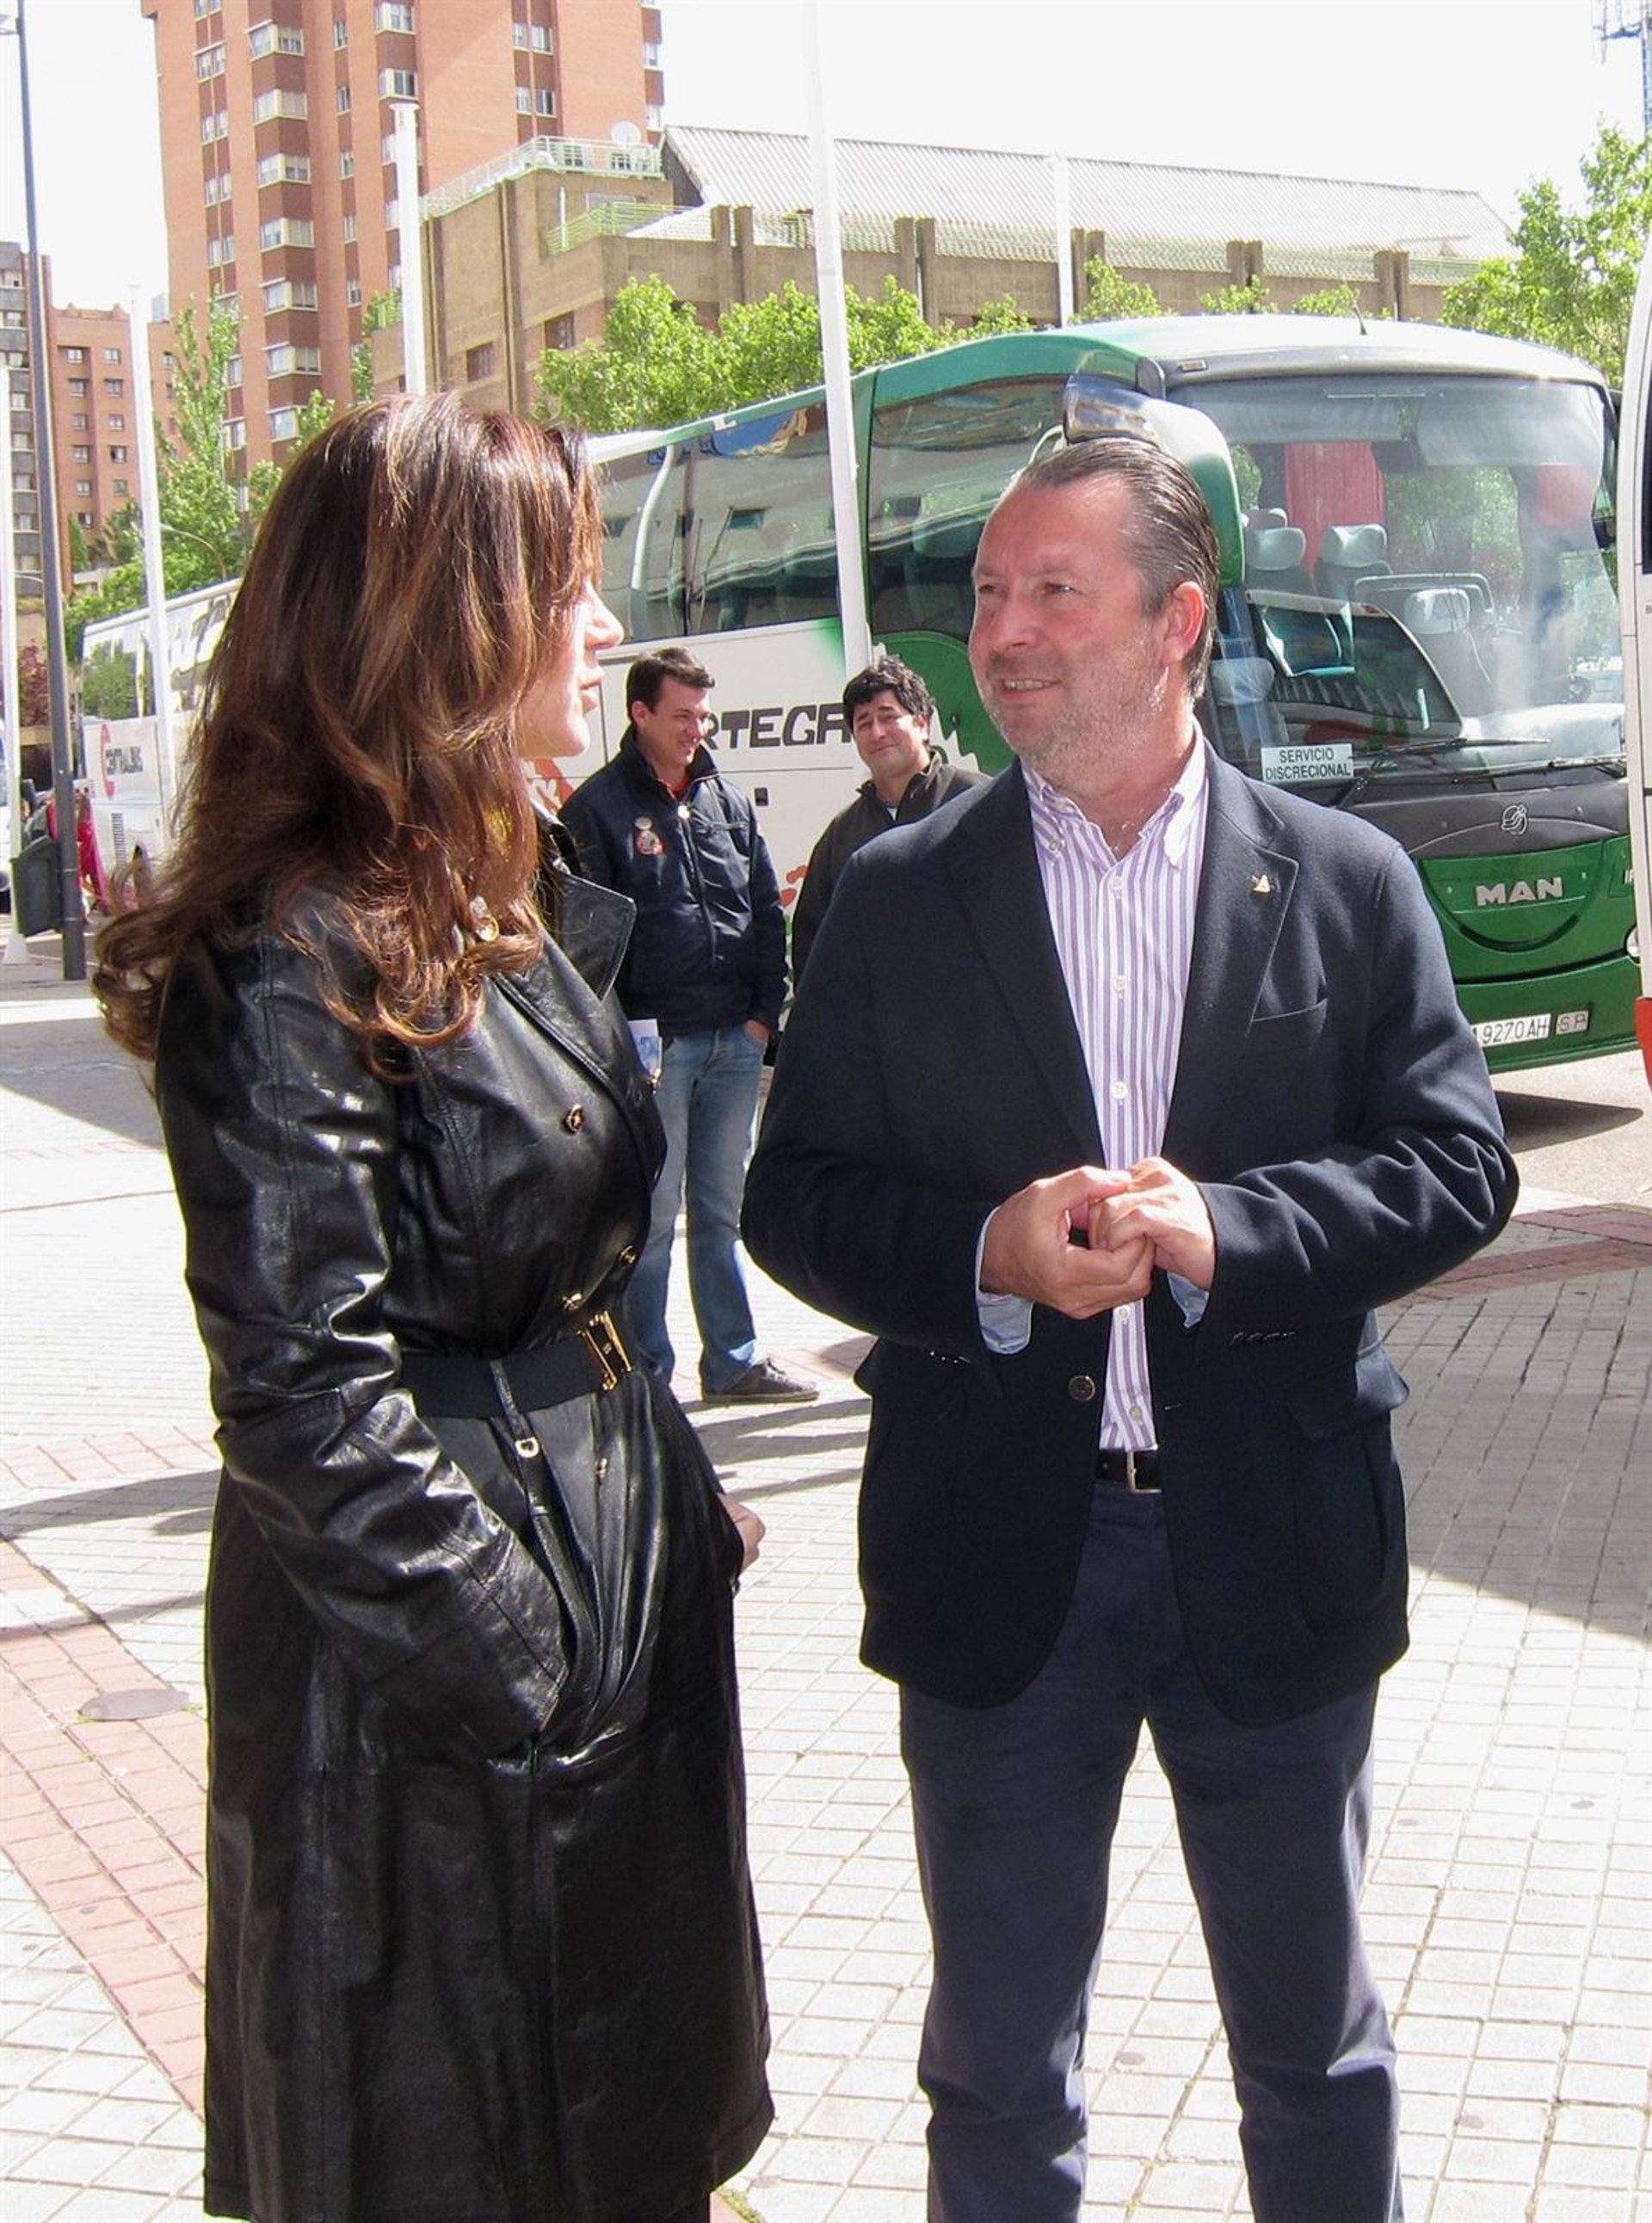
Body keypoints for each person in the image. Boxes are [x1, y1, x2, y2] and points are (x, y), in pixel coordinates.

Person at [743, 434, 1518, 2223]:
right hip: (1004, 1559)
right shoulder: (896, 894)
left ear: (1178, 621)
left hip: (1275, 1545)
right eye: (987, 594)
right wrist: (988, 1254)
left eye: (1052, 591)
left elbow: (1459, 1161)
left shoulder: (1340, 876)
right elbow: (795, 1196)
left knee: (1314, 2053)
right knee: (998, 2069)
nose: (1000, 633)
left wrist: (1237, 1231)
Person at [94, 395, 772, 2223]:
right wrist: (533, 1657)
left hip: (585, 1614)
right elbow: (306, 1396)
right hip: (434, 1702)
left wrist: (664, 1493)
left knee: (622, 2130)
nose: (605, 627)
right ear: (454, 619)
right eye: (568, 585)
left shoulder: (493, 896)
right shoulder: (292, 946)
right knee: (476, 2144)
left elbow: (565, 1276)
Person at [561, 646, 816, 1406]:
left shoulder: (726, 800)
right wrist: (621, 1041)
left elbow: (765, 911)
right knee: (651, 1219)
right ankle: (647, 1376)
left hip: (734, 1040)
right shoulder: (597, 810)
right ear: (639, 713)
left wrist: (763, 1016)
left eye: (703, 716)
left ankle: (733, 1361)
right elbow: (587, 945)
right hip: (655, 1050)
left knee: (720, 1211)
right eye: (681, 715)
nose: (696, 729)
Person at [788, 654, 985, 982]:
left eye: (888, 716)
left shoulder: (977, 802)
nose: (877, 732)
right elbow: (813, 942)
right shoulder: (842, 834)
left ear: (923, 724)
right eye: (864, 723)